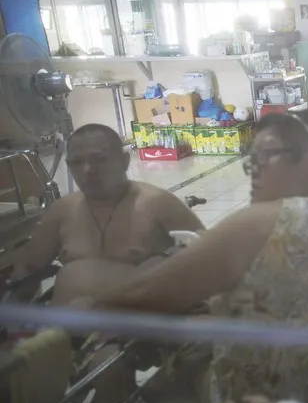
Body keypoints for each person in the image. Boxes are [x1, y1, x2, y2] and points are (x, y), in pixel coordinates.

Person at [86, 109, 308, 403]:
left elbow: (144, 294)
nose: (253, 170)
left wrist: (85, 305)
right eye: (250, 161)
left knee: (164, 376)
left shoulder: (266, 221)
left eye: (265, 157)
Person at [12, 124, 203, 303]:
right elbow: (28, 270)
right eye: (76, 162)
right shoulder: (62, 211)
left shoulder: (159, 204)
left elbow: (208, 262)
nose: (87, 170)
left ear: (125, 161)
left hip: (140, 330)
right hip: (64, 332)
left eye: (99, 159)